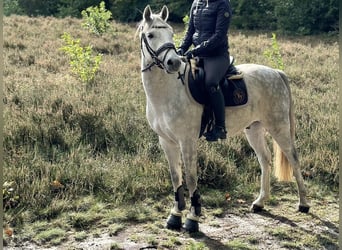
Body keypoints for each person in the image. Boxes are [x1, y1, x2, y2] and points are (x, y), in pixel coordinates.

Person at [177, 0, 232, 142]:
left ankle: (220, 127)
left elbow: (219, 36)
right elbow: (190, 31)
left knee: (211, 83)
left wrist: (195, 50)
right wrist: (182, 48)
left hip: (217, 56)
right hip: (198, 55)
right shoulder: (196, 3)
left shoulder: (223, 4)